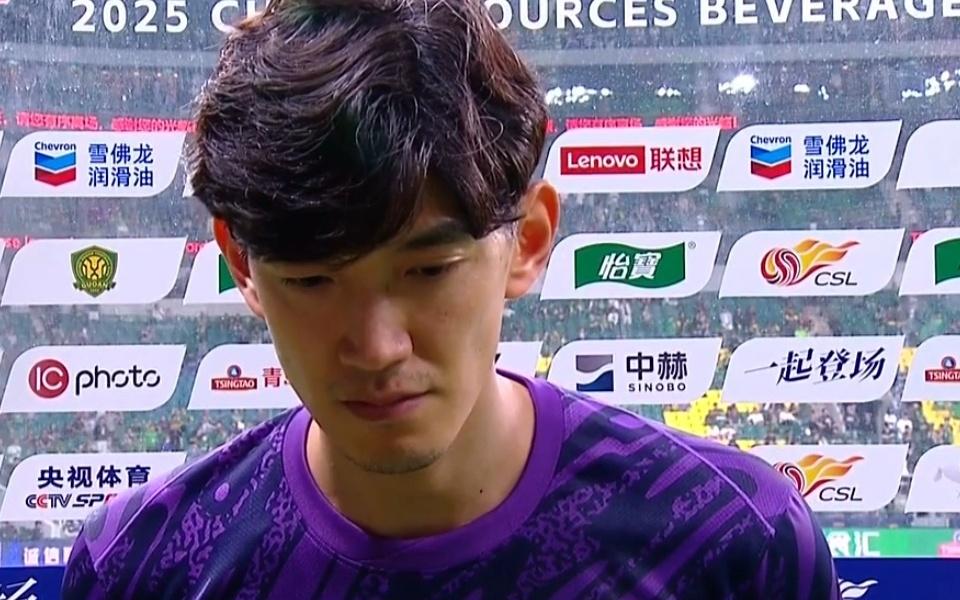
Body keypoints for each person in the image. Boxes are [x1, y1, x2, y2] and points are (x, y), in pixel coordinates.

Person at [62, 1, 839, 598]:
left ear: (528, 241)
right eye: (312, 280)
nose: (376, 348)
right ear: (242, 265)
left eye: (428, 271)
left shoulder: (732, 543)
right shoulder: (140, 567)